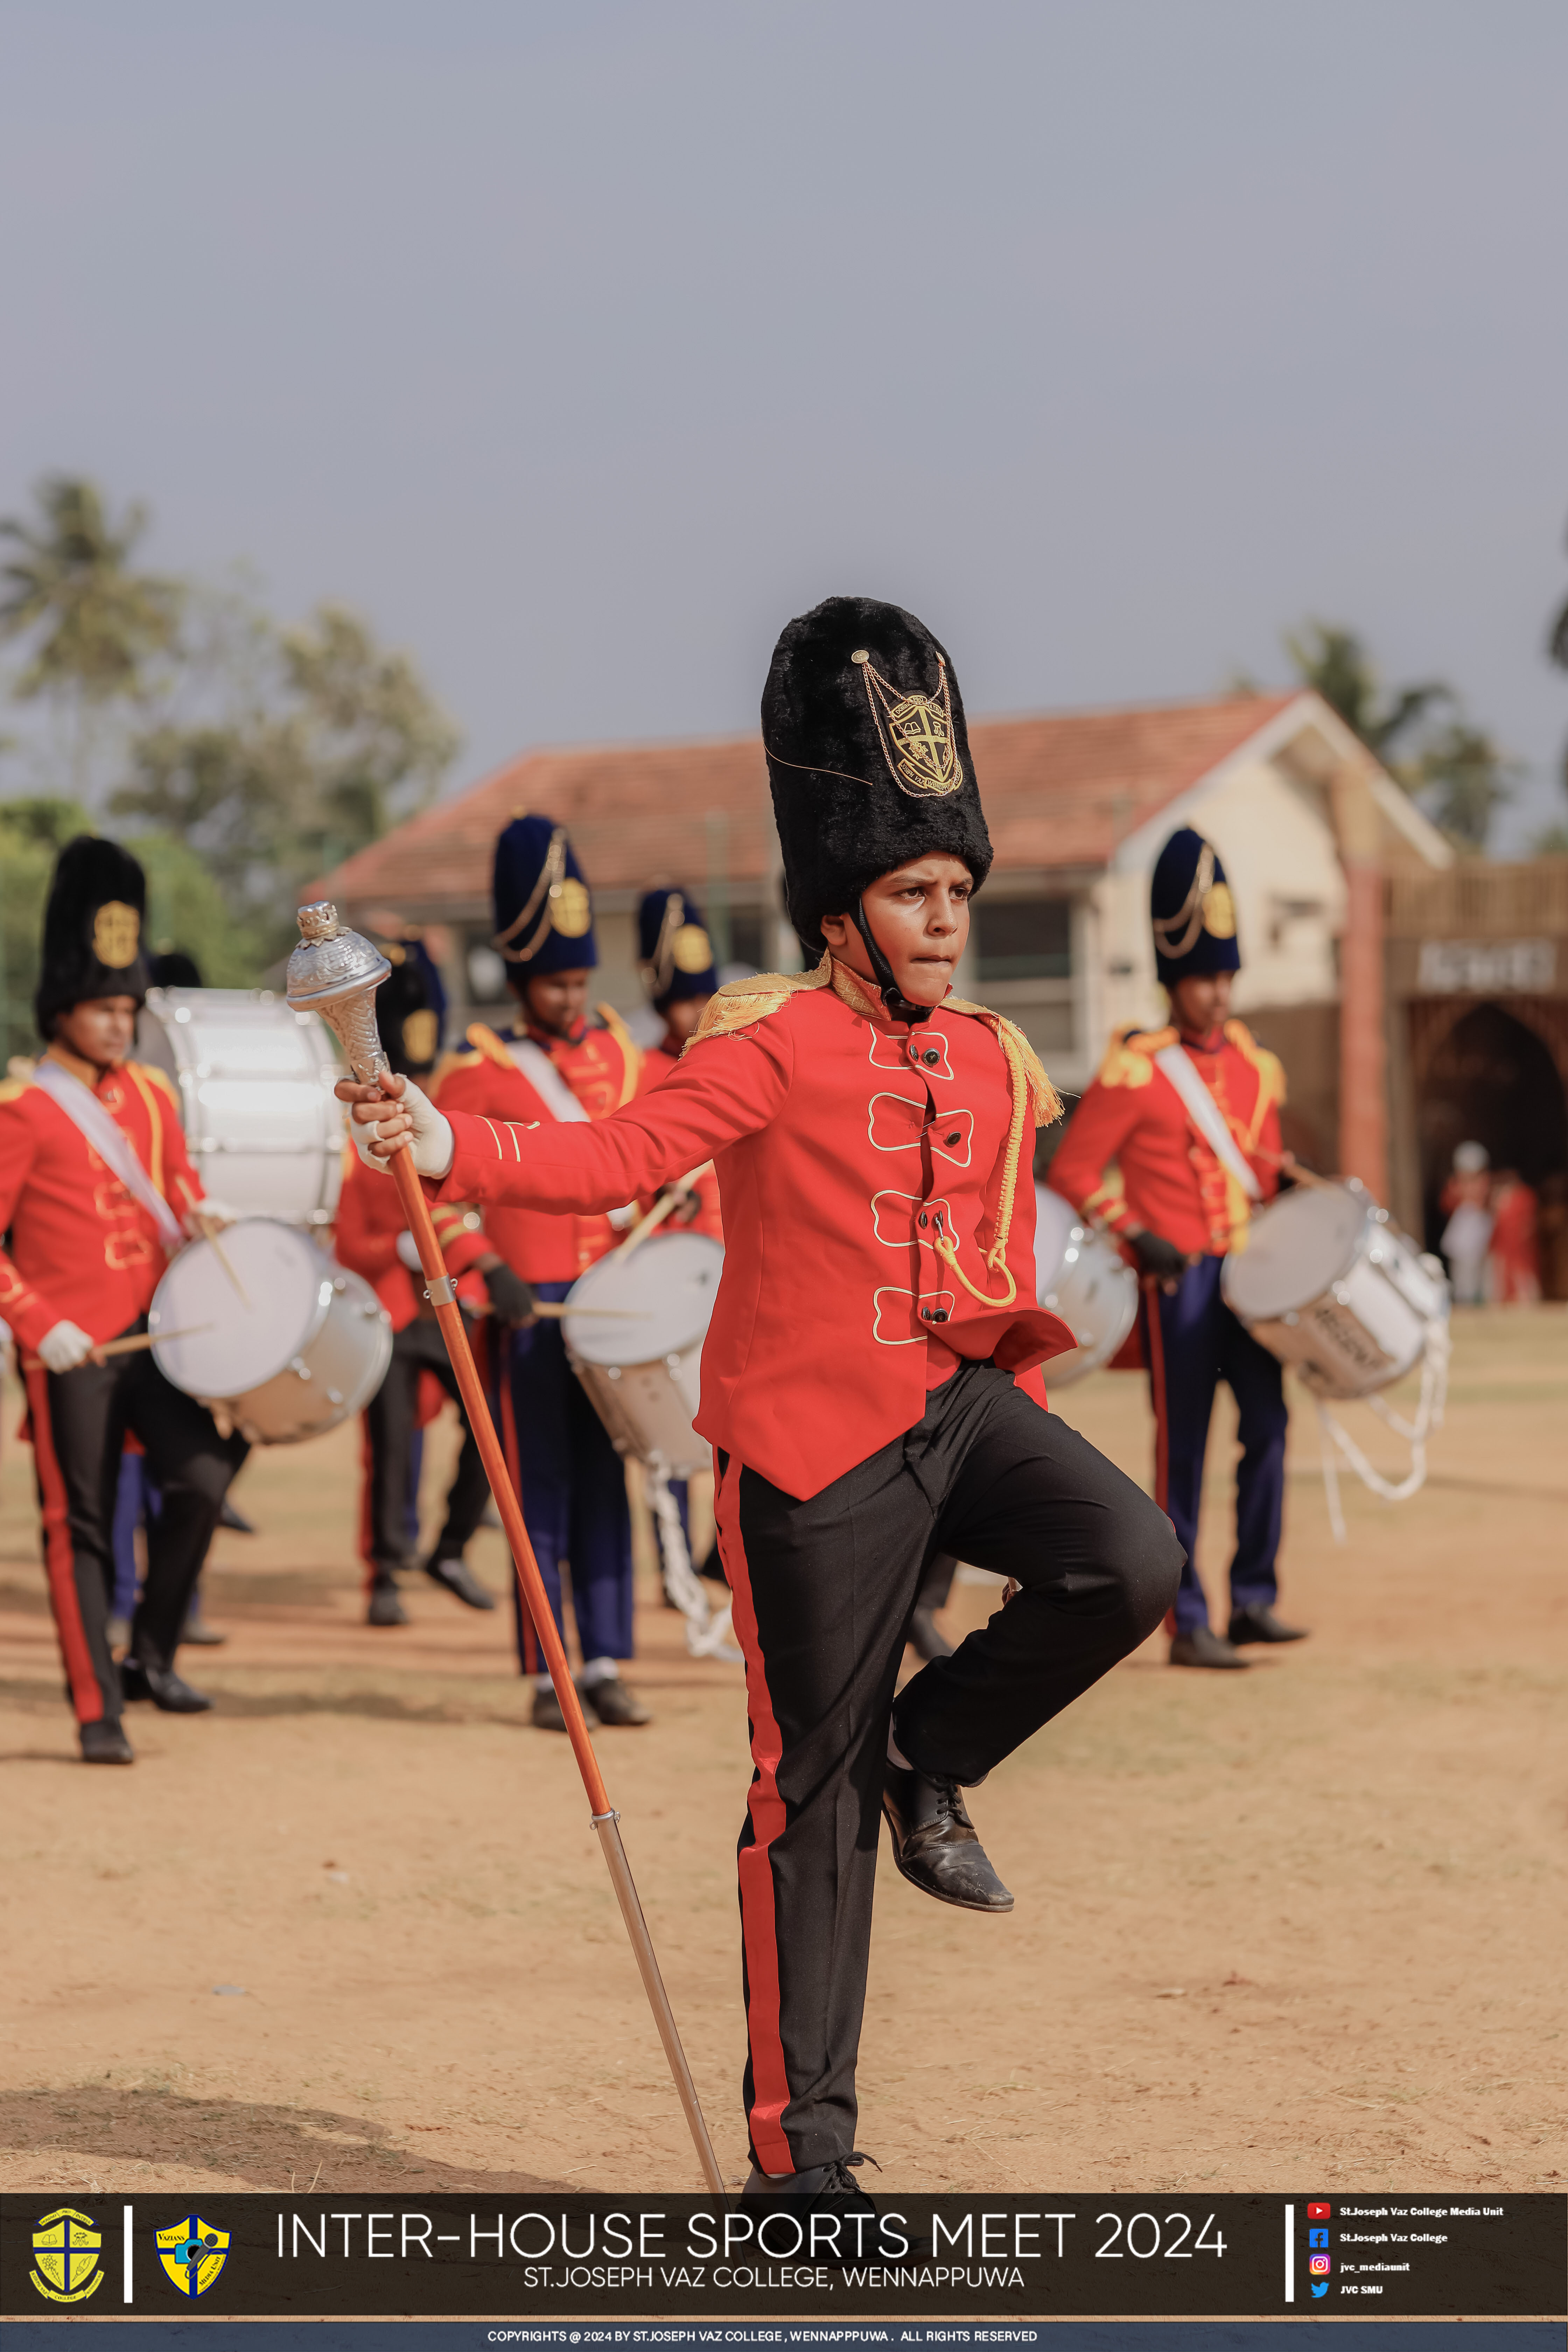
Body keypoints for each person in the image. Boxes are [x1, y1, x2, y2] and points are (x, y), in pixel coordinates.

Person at [341, 597, 1181, 2199]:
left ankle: (930, 1755)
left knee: (1130, 1561)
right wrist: (448, 1147)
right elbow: (611, 1162)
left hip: (959, 1404)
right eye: (914, 893)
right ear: (843, 909)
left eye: (957, 891)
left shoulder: (1002, 1058)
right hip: (811, 1451)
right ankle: (809, 2169)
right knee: (804, 1801)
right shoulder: (768, 1045)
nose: (945, 919)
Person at [0, 838, 246, 1764]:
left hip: (155, 1338)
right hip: (72, 1350)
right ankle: (96, 1705)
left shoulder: (151, 1096)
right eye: (101, 1010)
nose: (117, 1025)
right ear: (63, 1009)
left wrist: (206, 1215)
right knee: (84, 1523)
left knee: (204, 1478)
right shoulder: (23, 1109)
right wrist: (37, 1324)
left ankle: (149, 1652)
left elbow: (178, 1190)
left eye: (126, 1009)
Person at [1048, 827, 1303, 1671]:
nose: (1219, 994)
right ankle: (1188, 1617)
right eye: (1204, 979)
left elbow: (1259, 1171)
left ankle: (1256, 1597)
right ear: (1172, 981)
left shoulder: (1260, 1070)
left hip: (1247, 1279)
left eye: (1228, 976)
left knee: (1269, 1427)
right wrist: (1136, 1233)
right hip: (1179, 1283)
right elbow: (1079, 1171)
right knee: (1183, 1447)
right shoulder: (1136, 1069)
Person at [431, 817, 651, 1732]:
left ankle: (603, 1659)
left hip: (614, 1309)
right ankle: (546, 1673)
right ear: (523, 980)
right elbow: (432, 1203)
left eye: (579, 978)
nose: (573, 994)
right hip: (529, 1315)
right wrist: (488, 1268)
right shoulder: (477, 1071)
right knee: (537, 1493)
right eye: (557, 981)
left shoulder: (623, 1057)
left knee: (609, 1487)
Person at [335, 933, 534, 1624]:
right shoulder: (360, 1148)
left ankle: (449, 1544)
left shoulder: (440, 1124)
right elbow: (350, 1245)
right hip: (395, 1315)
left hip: (453, 1307)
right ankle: (382, 1572)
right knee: (390, 1451)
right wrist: (395, 1246)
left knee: (492, 1435)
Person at [1439, 1141, 1493, 1304]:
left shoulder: (1484, 1183)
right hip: (1464, 1231)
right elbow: (1446, 1203)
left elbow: (1481, 1200)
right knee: (1461, 1273)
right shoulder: (1455, 1185)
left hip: (1478, 1229)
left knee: (1481, 1271)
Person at [1488, 1168, 1541, 1304]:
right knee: (1501, 1273)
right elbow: (1496, 1221)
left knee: (1522, 1272)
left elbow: (1529, 1221)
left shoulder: (1525, 1195)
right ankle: (1502, 1300)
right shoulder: (1500, 1197)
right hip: (1503, 1243)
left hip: (1519, 1243)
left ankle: (1527, 1299)